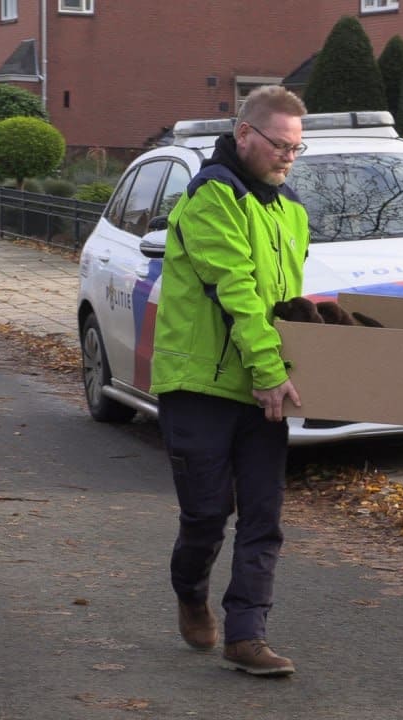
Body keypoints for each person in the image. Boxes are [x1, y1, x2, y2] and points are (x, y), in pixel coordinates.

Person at [149, 85, 309, 677]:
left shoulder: (290, 211)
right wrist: (270, 373)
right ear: (244, 134)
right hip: (200, 387)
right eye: (279, 144)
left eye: (297, 147)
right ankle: (191, 592)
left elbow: (283, 306)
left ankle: (247, 634)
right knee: (207, 514)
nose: (289, 156)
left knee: (264, 516)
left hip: (261, 386)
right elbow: (235, 292)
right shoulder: (212, 196)